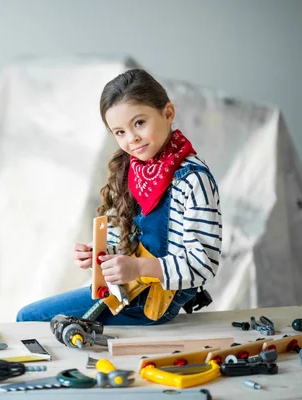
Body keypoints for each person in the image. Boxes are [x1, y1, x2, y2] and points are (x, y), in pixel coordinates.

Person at [16, 68, 222, 326]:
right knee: (31, 318)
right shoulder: (134, 170)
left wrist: (138, 269)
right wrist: (100, 255)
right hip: (130, 290)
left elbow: (203, 264)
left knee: (28, 319)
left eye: (139, 123)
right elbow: (127, 243)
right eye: (119, 132)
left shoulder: (193, 180)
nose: (132, 138)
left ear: (168, 113)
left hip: (153, 301)